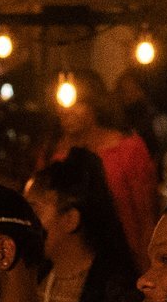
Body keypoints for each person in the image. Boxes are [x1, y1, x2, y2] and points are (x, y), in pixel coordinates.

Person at [25, 145, 162, 302]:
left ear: (70, 219)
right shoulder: (35, 278)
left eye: (35, 211)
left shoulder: (117, 293)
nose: (26, 223)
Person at [56, 72, 158, 268]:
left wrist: (147, 269)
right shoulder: (55, 154)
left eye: (76, 104)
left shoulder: (127, 150)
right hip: (70, 265)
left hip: (124, 263)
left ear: (94, 106)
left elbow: (146, 216)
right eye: (61, 104)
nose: (65, 111)